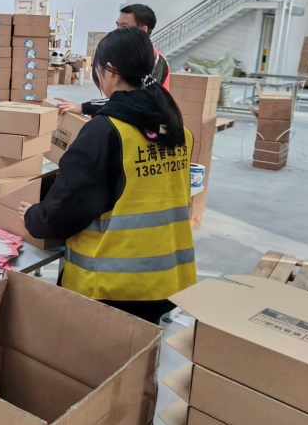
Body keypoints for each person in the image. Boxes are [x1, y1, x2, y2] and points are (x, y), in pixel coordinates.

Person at [19, 27, 196, 326]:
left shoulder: (106, 133)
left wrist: (33, 215)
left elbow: (65, 211)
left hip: (113, 286)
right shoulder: (179, 132)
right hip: (167, 279)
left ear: (110, 70)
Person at [57, 4, 171, 116]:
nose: (117, 31)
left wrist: (85, 107)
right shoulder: (126, 55)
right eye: (117, 25)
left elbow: (134, 100)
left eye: (124, 26)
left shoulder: (155, 59)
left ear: (143, 30)